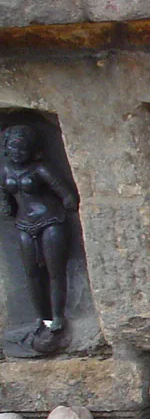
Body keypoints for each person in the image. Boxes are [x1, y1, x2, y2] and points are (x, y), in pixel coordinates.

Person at [1, 124, 77, 333]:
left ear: (33, 151)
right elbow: (5, 197)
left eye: (23, 149)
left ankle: (58, 315)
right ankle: (41, 317)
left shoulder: (41, 169)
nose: (17, 154)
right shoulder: (5, 170)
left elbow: (67, 196)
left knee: (55, 272)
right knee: (32, 273)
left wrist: (68, 204)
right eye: (13, 148)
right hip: (24, 224)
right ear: (6, 149)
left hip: (49, 221)